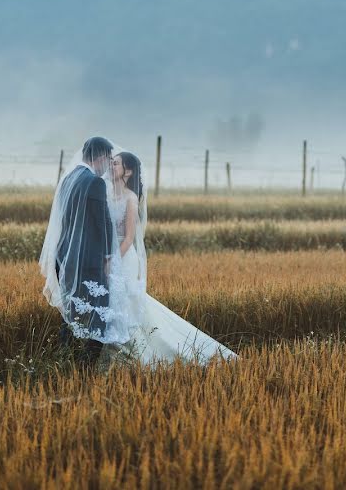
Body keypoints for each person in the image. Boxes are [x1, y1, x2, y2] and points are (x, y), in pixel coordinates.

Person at [100, 150, 238, 367]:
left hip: (122, 256)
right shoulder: (107, 193)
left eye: (116, 164)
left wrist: (113, 260)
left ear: (128, 171)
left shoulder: (130, 198)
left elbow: (128, 237)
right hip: (108, 252)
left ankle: (135, 355)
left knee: (125, 302)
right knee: (113, 303)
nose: (111, 166)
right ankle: (117, 352)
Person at [39, 136, 115, 366]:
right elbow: (102, 224)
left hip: (64, 255)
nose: (110, 166)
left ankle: (65, 360)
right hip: (88, 260)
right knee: (99, 315)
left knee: (71, 312)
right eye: (109, 160)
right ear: (100, 157)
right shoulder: (95, 182)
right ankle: (86, 366)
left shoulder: (69, 178)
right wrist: (109, 257)